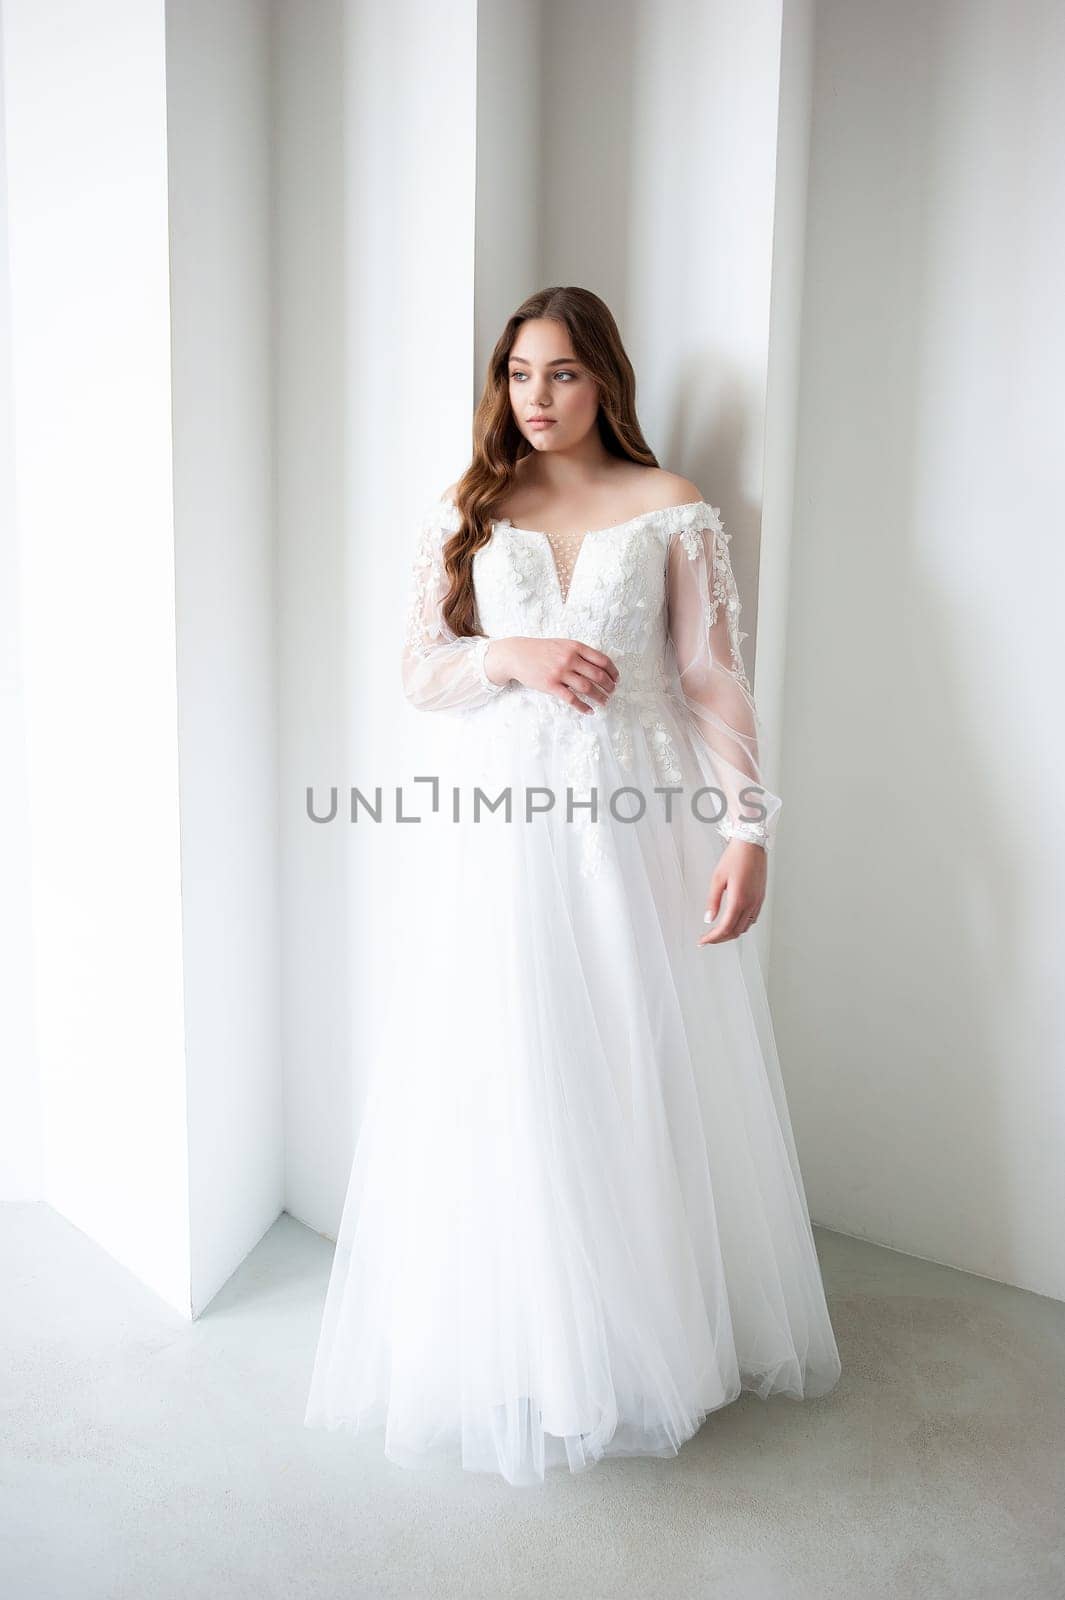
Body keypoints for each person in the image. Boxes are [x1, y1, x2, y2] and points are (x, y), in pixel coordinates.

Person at [303, 285, 842, 1486]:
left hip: (633, 829)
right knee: (505, 1067)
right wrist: (509, 653)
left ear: (607, 382)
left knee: (629, 1063)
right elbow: (419, 672)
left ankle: (637, 1341)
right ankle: (515, 1337)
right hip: (499, 835)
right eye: (518, 375)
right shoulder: (475, 508)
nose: (536, 400)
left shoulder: (671, 509)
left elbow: (711, 681)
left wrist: (749, 833)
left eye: (561, 375)